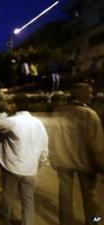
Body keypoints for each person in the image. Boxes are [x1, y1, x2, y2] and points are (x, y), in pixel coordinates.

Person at [0, 94, 49, 225]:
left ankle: (5, 214)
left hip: (12, 165)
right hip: (30, 167)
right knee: (28, 198)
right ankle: (28, 222)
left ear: (15, 105)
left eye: (10, 104)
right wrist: (41, 161)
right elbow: (44, 144)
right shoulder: (38, 122)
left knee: (8, 193)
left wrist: (4, 113)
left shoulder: (11, 121)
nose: (8, 106)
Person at [50, 83, 104, 225]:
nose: (92, 96)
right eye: (90, 93)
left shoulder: (58, 110)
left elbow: (53, 137)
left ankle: (65, 223)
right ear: (82, 96)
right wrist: (101, 165)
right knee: (91, 197)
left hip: (63, 161)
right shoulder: (90, 114)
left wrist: (54, 157)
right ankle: (94, 222)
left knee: (65, 195)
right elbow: (97, 145)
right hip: (85, 163)